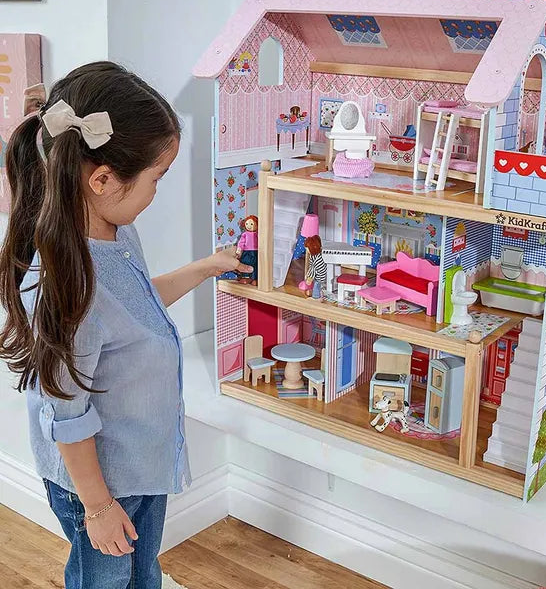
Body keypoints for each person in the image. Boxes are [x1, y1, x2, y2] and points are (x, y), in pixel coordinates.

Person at [0, 62, 251, 589]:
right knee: (105, 581)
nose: (157, 191)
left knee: (141, 573)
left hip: (139, 464)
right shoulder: (69, 287)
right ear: (102, 179)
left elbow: (136, 308)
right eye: (157, 178)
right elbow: (65, 413)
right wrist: (97, 507)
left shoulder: (115, 233)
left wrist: (205, 267)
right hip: (99, 484)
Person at [235, 215, 258, 284]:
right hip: (246, 252)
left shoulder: (257, 234)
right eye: (247, 224)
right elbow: (241, 242)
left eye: (251, 224)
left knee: (255, 264)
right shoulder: (245, 234)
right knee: (245, 262)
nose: (249, 226)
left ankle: (255, 278)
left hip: (255, 252)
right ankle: (245, 277)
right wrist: (239, 249)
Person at [302, 235, 327, 299]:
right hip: (317, 274)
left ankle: (316, 297)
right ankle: (319, 293)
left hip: (320, 276)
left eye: (307, 249)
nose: (307, 250)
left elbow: (313, 269)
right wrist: (308, 274)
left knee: (316, 286)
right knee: (316, 285)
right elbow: (311, 266)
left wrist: (309, 278)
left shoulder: (318, 259)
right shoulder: (313, 255)